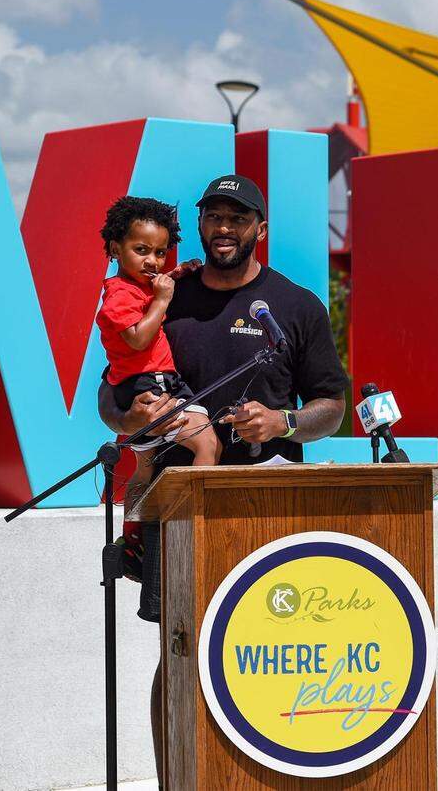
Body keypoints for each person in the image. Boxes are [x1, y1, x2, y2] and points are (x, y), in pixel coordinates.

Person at [96, 174, 348, 785]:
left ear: (260, 229)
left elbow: (332, 407)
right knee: (177, 654)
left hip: (264, 503)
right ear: (201, 227)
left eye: (239, 218)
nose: (225, 228)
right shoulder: (162, 294)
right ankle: (174, 781)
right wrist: (127, 415)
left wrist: (283, 419)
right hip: (176, 505)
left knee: (266, 650)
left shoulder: (296, 305)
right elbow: (112, 390)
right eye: (215, 217)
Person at [95, 197, 220, 494]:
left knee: (146, 465)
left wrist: (175, 275)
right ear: (115, 249)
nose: (152, 261)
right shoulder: (118, 296)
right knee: (208, 443)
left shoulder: (135, 288)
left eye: (160, 252)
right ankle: (196, 514)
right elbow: (138, 338)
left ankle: (136, 530)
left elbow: (149, 295)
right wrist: (163, 298)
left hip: (138, 387)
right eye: (141, 250)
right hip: (151, 386)